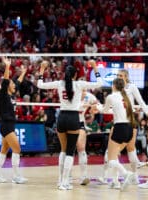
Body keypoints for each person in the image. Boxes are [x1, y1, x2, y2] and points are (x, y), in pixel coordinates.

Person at [37, 59, 102, 190]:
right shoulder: (79, 84)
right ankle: (65, 182)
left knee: (63, 150)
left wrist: (42, 70)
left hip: (61, 117)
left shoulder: (60, 83)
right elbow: (100, 83)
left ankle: (60, 180)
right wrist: (95, 67)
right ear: (75, 75)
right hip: (73, 118)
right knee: (70, 152)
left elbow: (40, 85)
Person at [99, 69, 148, 184]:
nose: (119, 77)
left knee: (129, 150)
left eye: (121, 75)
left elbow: (141, 102)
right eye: (118, 75)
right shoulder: (116, 94)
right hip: (120, 122)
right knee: (113, 151)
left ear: (126, 77)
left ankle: (133, 176)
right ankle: (111, 178)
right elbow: (113, 108)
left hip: (130, 123)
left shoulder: (130, 88)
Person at [0, 57, 28, 184]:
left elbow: (18, 82)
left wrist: (23, 72)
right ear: (7, 86)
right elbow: (6, 81)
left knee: (4, 151)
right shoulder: (3, 94)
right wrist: (7, 66)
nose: (14, 85)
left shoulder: (10, 94)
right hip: (6, 125)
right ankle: (16, 176)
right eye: (12, 84)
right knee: (17, 149)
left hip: (9, 125)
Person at [94, 78, 135, 191]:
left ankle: (126, 174)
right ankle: (116, 181)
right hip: (129, 129)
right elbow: (119, 111)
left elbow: (105, 111)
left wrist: (97, 106)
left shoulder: (111, 97)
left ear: (114, 86)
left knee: (111, 158)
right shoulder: (126, 98)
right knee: (114, 155)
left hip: (119, 128)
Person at [76, 89, 99, 185]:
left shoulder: (89, 96)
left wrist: (93, 110)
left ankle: (84, 176)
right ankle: (65, 176)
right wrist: (82, 106)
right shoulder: (70, 92)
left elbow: (97, 105)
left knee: (81, 148)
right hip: (68, 121)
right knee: (67, 149)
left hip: (80, 122)